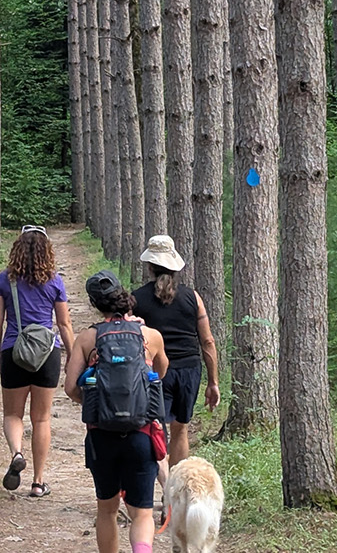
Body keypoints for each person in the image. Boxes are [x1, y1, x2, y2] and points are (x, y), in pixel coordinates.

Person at [66, 270, 169, 553]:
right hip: (142, 434)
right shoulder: (150, 336)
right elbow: (160, 373)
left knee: (107, 511)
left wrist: (95, 402)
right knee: (143, 512)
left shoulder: (88, 338)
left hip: (102, 435)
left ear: (95, 304)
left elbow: (70, 387)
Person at [0, 225, 74, 496]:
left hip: (14, 351)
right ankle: (38, 482)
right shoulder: (55, 281)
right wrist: (72, 355)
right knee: (41, 419)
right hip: (46, 354)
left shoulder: (5, 280)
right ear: (46, 251)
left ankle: (17, 453)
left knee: (13, 414)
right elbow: (64, 323)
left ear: (17, 250)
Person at [131, 234, 220, 469]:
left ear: (149, 266)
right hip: (189, 370)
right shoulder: (193, 297)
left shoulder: (136, 299)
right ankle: (172, 492)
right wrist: (213, 382)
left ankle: (160, 484)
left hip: (155, 373)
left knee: (155, 428)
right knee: (180, 429)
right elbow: (208, 341)